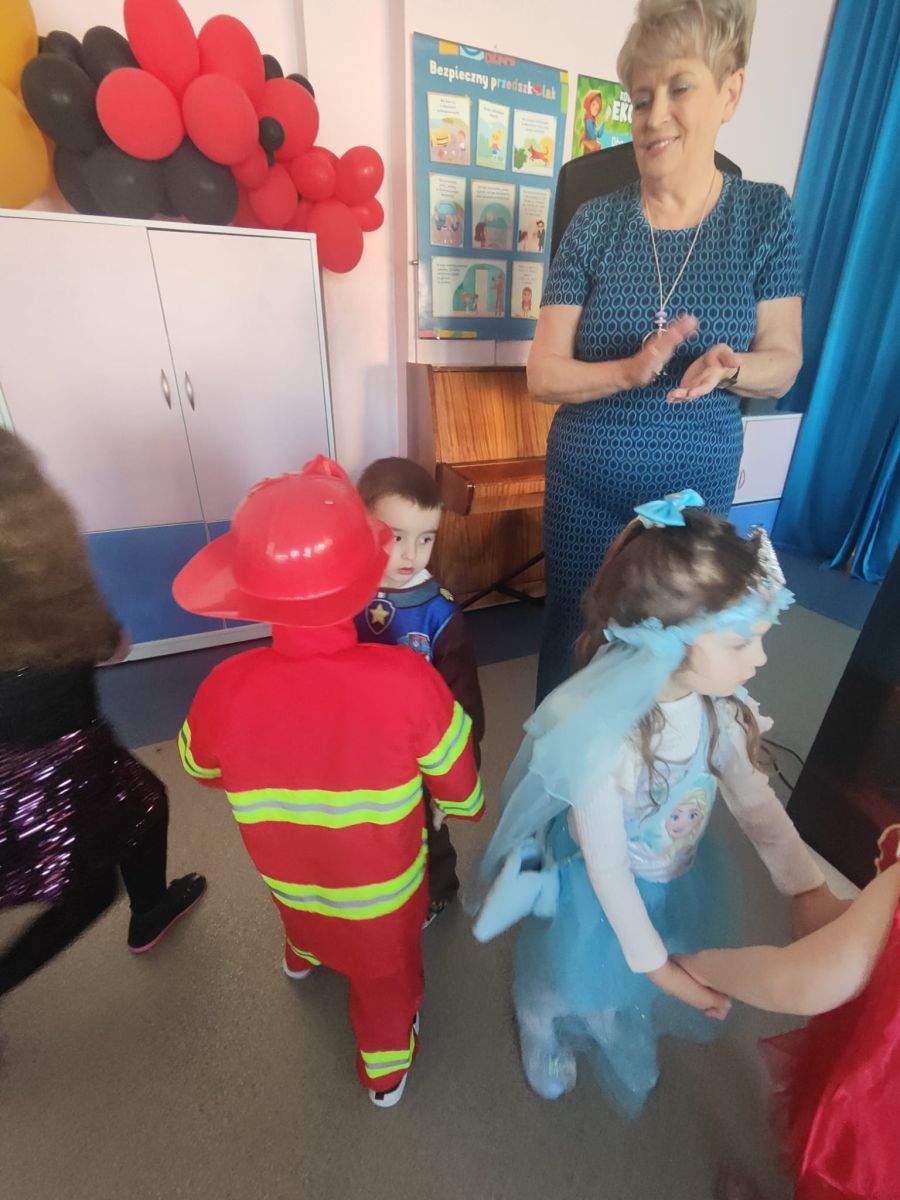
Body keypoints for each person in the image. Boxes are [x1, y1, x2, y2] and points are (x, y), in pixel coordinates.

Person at [470, 493, 842, 1115]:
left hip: (673, 872)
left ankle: (617, 999)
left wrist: (807, 885)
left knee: (634, 966)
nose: (761, 658)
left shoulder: (720, 713)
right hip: (597, 888)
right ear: (669, 644)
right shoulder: (606, 743)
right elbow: (608, 867)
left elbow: (756, 807)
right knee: (573, 975)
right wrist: (659, 969)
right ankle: (540, 1016)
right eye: (742, 642)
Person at [174, 456, 483, 1108]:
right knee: (386, 974)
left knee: (304, 908)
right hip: (380, 894)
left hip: (288, 875)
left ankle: (302, 954)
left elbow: (201, 769)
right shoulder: (409, 683)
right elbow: (464, 792)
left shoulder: (223, 687)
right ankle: (385, 1069)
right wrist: (454, 804)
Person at [528, 0, 803, 701]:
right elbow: (542, 374)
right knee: (573, 640)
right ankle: (559, 767)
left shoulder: (765, 215)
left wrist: (734, 367)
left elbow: (783, 363)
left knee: (676, 655)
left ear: (729, 93)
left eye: (680, 88)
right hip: (586, 488)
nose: (654, 117)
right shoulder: (594, 223)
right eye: (641, 97)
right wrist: (629, 369)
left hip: (693, 496)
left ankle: (656, 767)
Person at [0, 430, 205, 999]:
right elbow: (113, 646)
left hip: (46, 761)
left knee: (147, 804)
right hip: (60, 767)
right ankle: (146, 912)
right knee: (90, 890)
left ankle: (152, 910)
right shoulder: (47, 587)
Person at [681, 824, 900, 1200]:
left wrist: (695, 967)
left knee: (839, 1179)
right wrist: (848, 923)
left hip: (876, 1110)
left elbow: (797, 983)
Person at [354, 457, 485, 926]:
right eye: (395, 537)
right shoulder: (342, 595)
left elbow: (464, 699)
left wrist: (455, 779)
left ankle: (438, 891)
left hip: (418, 756)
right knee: (368, 829)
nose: (412, 554)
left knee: (426, 832)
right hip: (361, 750)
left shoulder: (438, 612)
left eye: (425, 538)